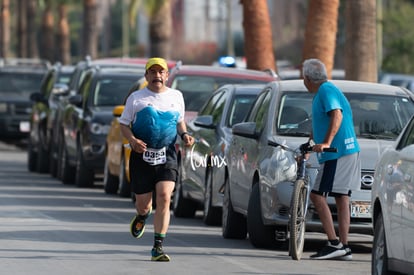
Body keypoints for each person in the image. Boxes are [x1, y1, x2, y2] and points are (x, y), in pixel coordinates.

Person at [119, 57, 194, 262]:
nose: (157, 76)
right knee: (143, 205)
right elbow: (124, 124)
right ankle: (143, 216)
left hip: (166, 154)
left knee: (164, 196)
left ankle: (157, 247)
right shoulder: (136, 98)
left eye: (161, 72)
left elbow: (179, 122)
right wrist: (133, 140)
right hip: (141, 156)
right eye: (153, 72)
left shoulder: (176, 96)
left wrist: (185, 135)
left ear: (167, 76)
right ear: (146, 76)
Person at [302, 58, 361, 260]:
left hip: (337, 152)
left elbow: (337, 115)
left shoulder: (326, 90)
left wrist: (326, 142)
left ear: (307, 78)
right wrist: (310, 144)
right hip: (346, 150)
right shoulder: (326, 90)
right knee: (341, 197)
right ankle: (344, 246)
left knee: (317, 196)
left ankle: (334, 243)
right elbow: (321, 122)